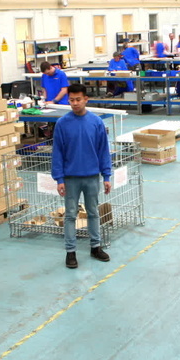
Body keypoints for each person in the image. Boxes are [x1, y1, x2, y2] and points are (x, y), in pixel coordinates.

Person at [51, 83, 112, 268]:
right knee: (70, 215)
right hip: (71, 178)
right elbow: (58, 153)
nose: (75, 103)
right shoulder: (62, 124)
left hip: (92, 176)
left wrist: (107, 176)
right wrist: (59, 179)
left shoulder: (96, 122)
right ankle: (70, 252)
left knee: (93, 212)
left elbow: (103, 151)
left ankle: (95, 247)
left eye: (78, 99)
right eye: (71, 100)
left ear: (86, 99)